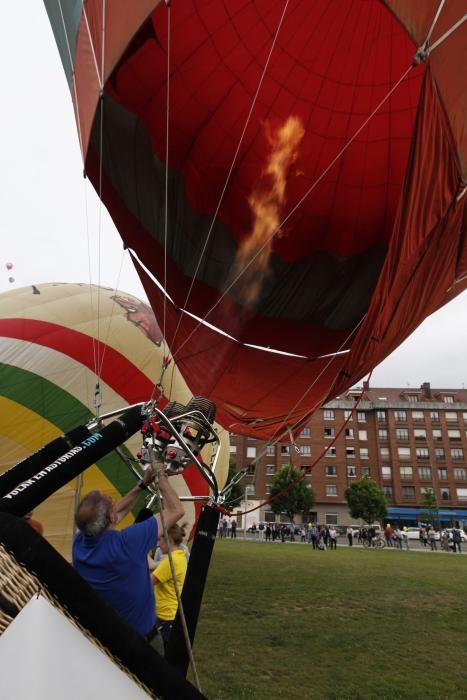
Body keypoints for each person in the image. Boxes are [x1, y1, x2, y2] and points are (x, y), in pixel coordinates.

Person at [72, 464, 184, 655]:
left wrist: (142, 484)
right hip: (141, 645)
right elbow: (175, 510)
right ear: (111, 519)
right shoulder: (127, 543)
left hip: (103, 640)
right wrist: (160, 476)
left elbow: (117, 512)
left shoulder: (79, 543)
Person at [152, 522, 188, 648]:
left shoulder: (171, 561)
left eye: (160, 539)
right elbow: (153, 566)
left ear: (169, 539)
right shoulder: (179, 556)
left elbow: (149, 582)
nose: (158, 544)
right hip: (168, 615)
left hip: (164, 617)